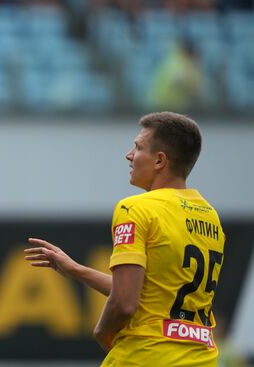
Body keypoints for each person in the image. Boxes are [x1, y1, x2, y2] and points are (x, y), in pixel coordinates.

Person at [25, 112, 225, 366]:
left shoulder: (135, 209)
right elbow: (148, 294)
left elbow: (124, 303)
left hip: (145, 355)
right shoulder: (210, 216)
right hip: (203, 358)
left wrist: (102, 331)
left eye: (138, 147)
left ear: (159, 161)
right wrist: (76, 270)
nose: (129, 155)